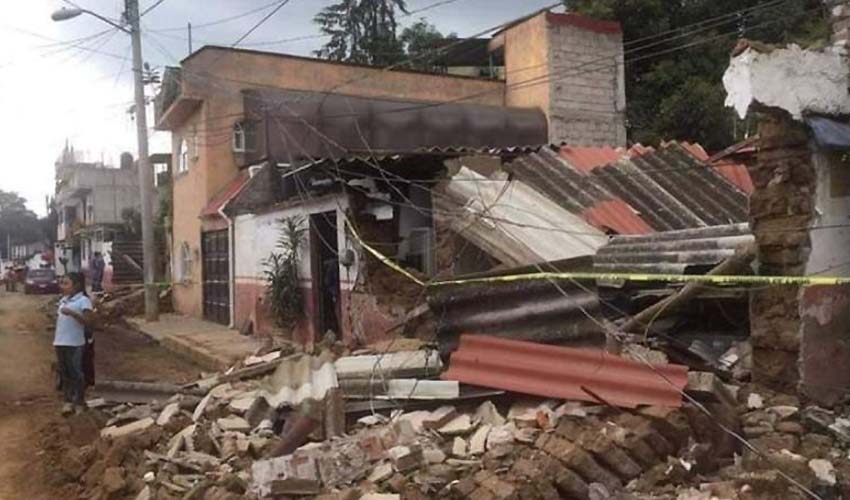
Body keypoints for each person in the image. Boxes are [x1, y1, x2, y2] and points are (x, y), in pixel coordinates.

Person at [54, 272, 94, 416]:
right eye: (62, 283)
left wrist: (72, 313)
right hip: (60, 342)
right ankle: (68, 401)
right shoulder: (64, 300)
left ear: (76, 285)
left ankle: (79, 402)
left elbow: (89, 322)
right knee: (64, 373)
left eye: (66, 283)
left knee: (76, 373)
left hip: (75, 343)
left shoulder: (83, 301)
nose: (62, 286)